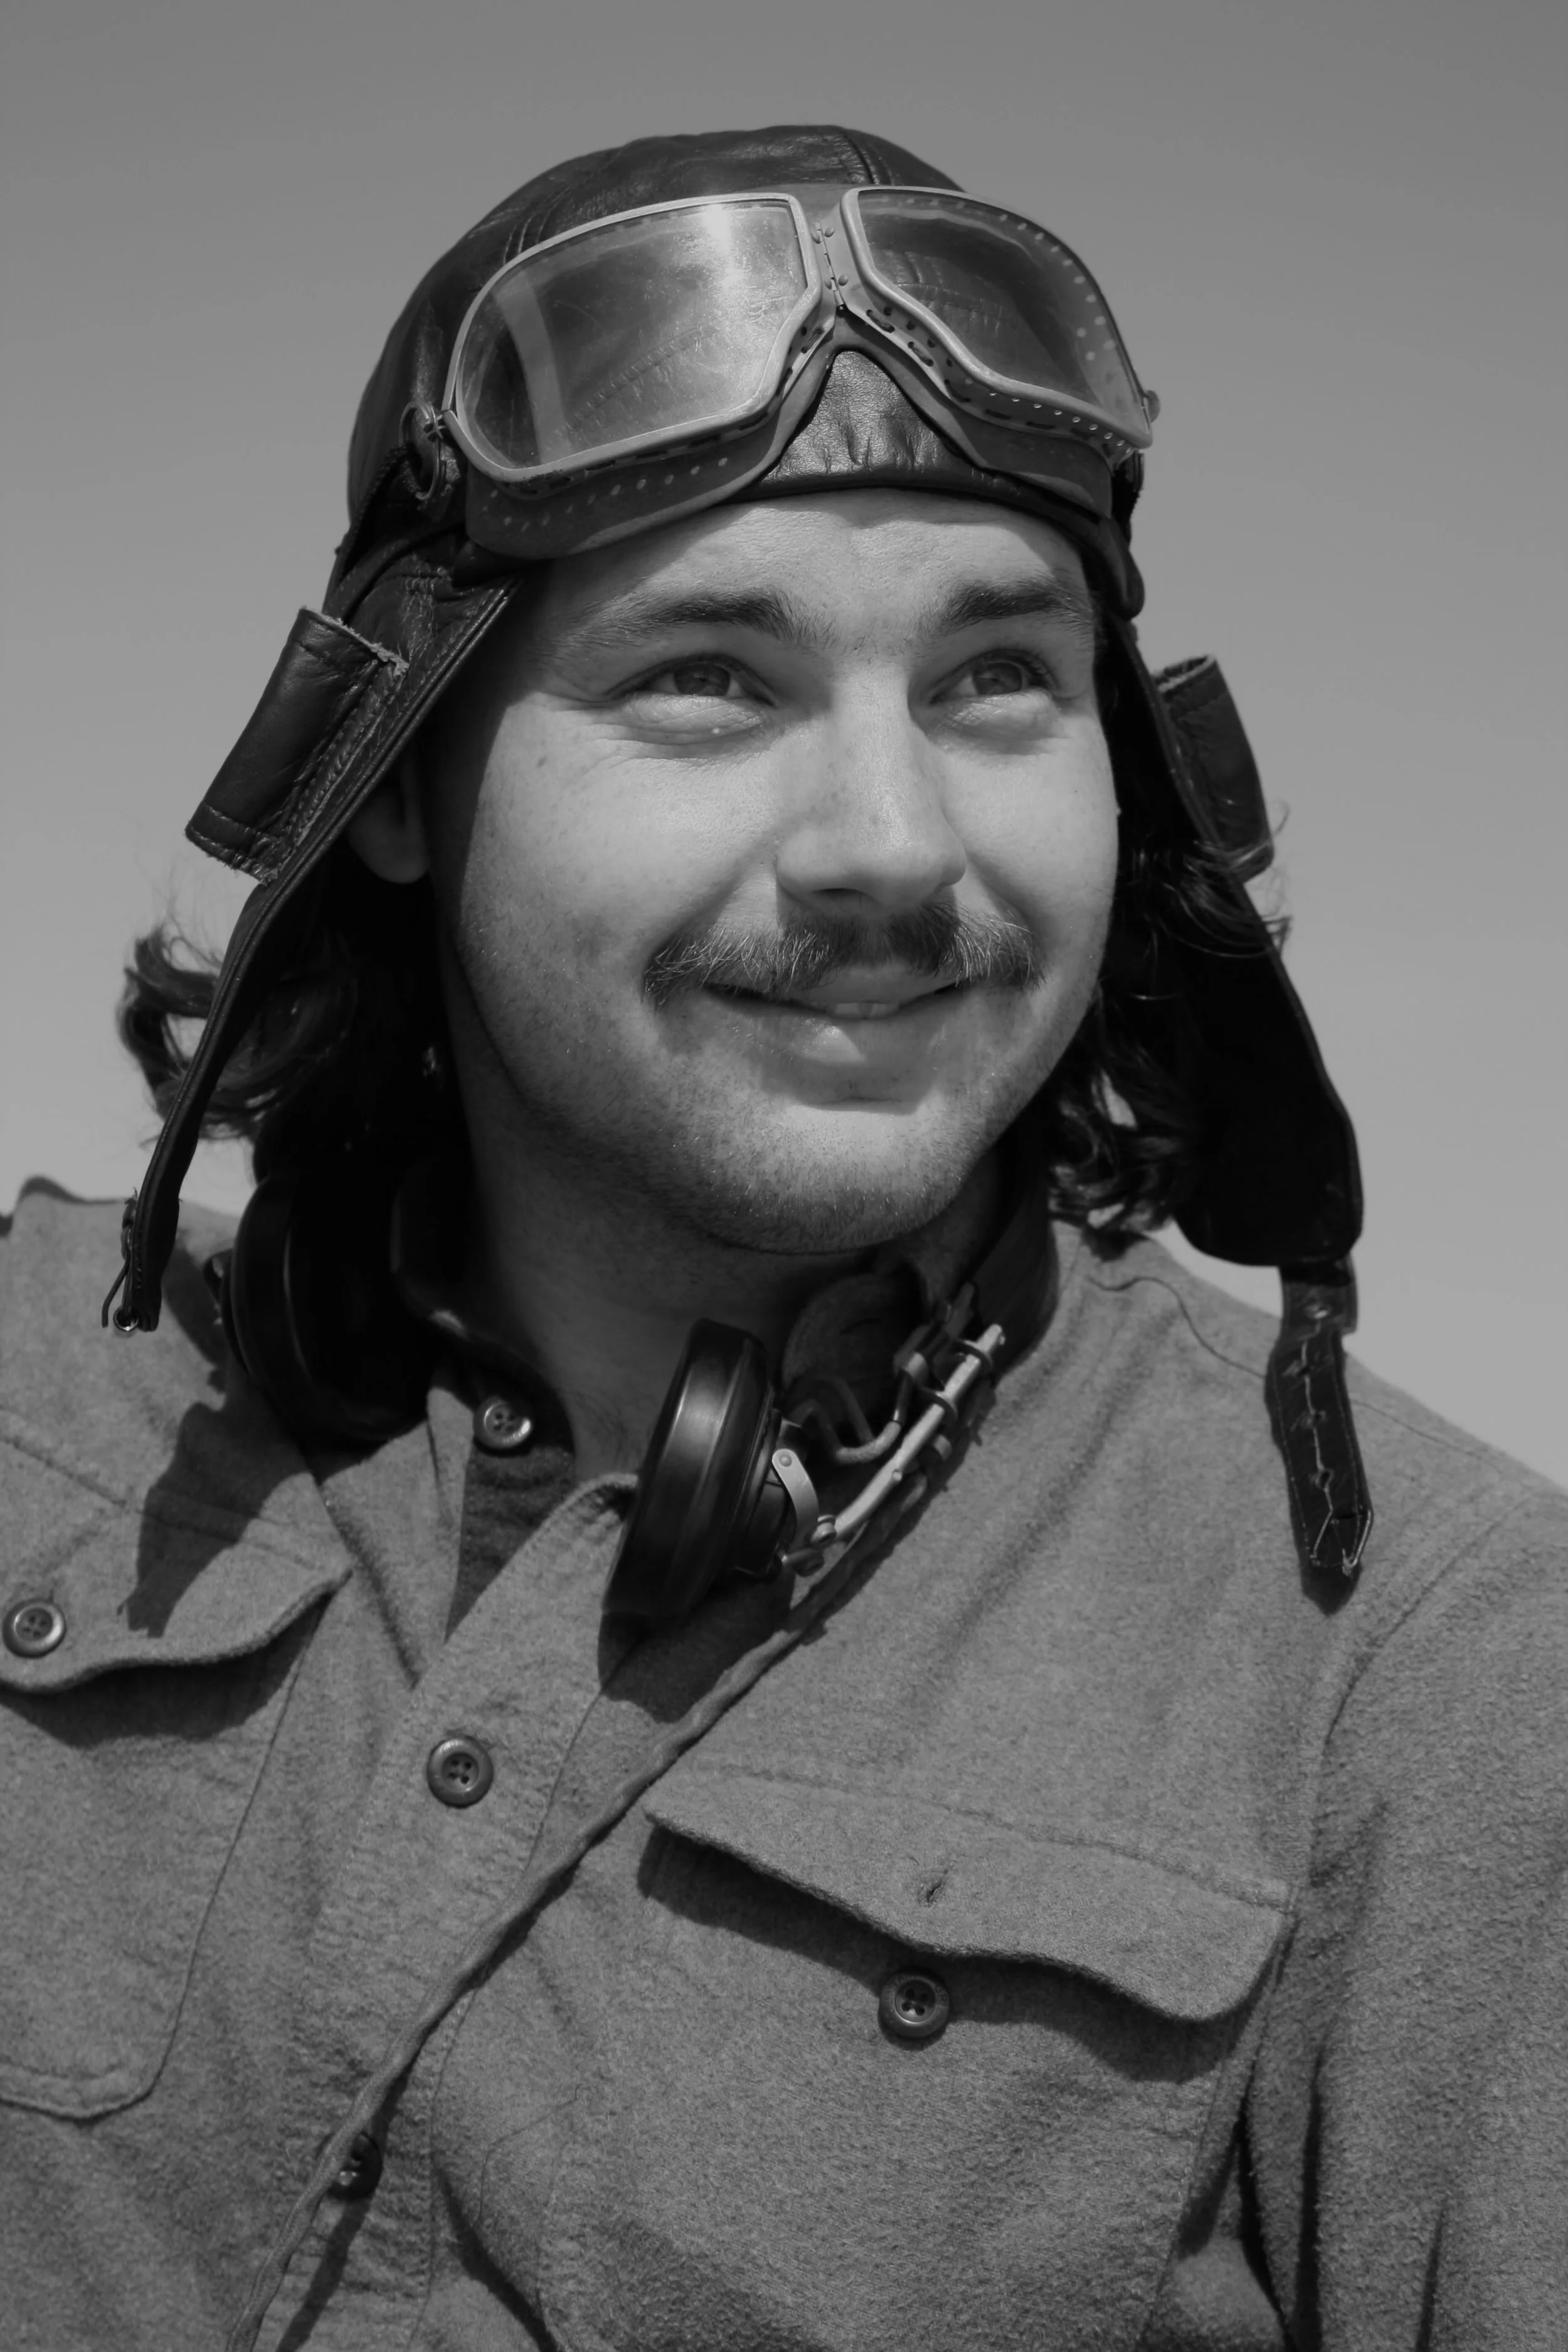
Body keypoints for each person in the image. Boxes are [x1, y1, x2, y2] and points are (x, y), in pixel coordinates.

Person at [1, 123, 1562, 2352]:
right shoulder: (42, 1390)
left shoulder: (1428, 1676)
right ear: (401, 780)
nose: (888, 843)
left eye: (996, 677)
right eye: (709, 678)